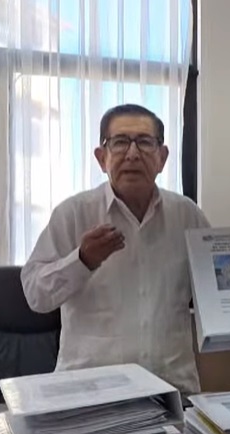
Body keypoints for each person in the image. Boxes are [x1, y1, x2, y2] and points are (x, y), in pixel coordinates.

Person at [21, 104, 209, 396]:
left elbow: (214, 292)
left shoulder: (188, 216)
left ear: (162, 157)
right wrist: (81, 260)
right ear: (101, 157)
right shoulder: (73, 214)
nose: (132, 154)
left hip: (172, 393)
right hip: (89, 395)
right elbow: (36, 295)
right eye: (120, 142)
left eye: (145, 142)